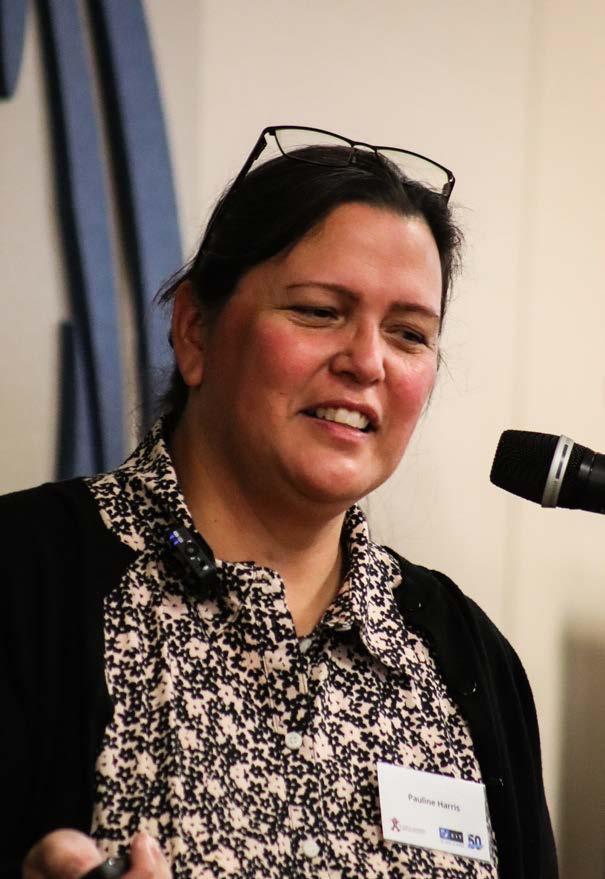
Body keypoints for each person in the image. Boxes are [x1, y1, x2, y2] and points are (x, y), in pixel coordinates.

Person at [1, 126, 557, 879]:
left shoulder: (470, 657)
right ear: (195, 331)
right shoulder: (24, 576)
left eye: (408, 333)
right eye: (320, 311)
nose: (367, 361)